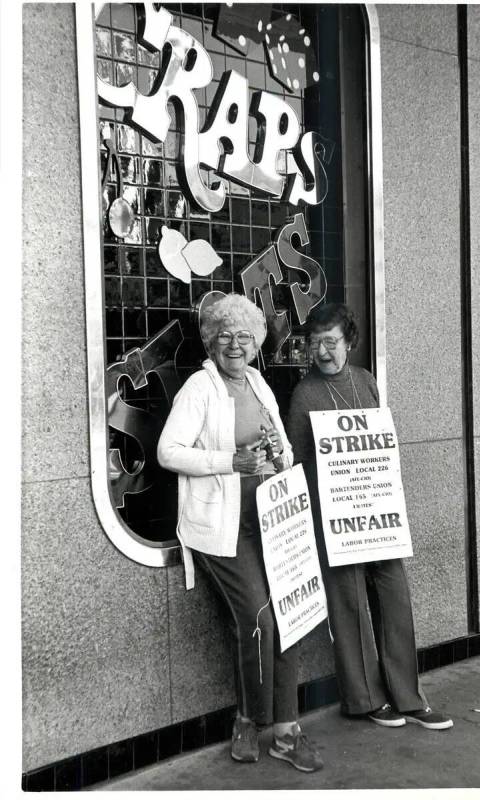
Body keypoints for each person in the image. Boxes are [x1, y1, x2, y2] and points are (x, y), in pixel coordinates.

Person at [157, 293, 323, 772]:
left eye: (244, 337)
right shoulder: (199, 387)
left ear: (256, 344)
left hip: (271, 522)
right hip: (221, 529)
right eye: (225, 336)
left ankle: (287, 732)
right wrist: (228, 462)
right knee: (259, 620)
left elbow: (285, 453)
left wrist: (278, 455)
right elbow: (170, 451)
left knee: (289, 617)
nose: (235, 345)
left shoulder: (258, 383)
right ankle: (248, 721)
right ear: (211, 341)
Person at [287, 302, 453, 731]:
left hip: (377, 513)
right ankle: (363, 700)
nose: (322, 351)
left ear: (349, 342)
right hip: (334, 517)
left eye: (331, 342)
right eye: (315, 343)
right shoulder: (305, 394)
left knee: (395, 596)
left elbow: (382, 447)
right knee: (350, 605)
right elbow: (300, 464)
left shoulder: (365, 382)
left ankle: (409, 697)